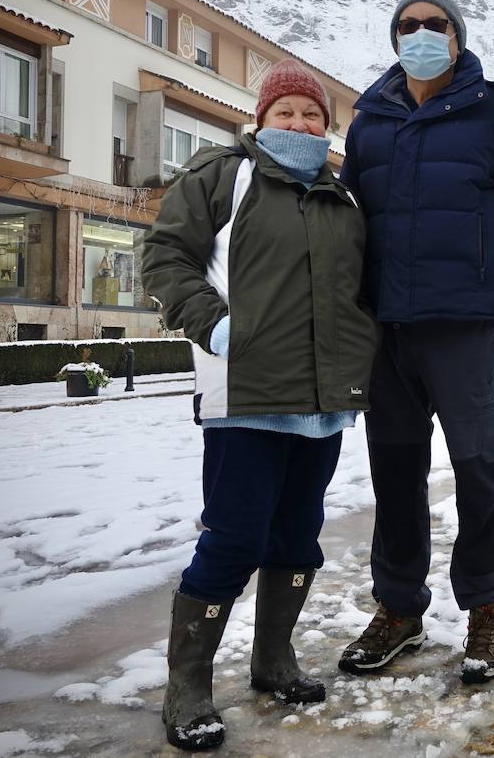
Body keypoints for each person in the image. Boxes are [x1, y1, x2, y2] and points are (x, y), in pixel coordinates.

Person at [142, 59, 377, 751]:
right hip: (244, 394)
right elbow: (164, 259)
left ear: (326, 127)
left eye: (312, 115)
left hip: (323, 401)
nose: (299, 124)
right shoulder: (221, 175)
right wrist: (216, 327)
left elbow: (359, 289)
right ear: (262, 116)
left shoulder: (344, 196)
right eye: (287, 113)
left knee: (298, 535)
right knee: (234, 538)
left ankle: (273, 662)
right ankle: (186, 688)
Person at [338, 0, 494, 685]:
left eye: (436, 25)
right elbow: (347, 226)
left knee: (478, 472)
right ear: (394, 38)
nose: (422, 34)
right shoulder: (369, 121)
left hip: (464, 327)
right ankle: (399, 610)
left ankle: (489, 608)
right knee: (396, 478)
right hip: (387, 330)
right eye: (409, 26)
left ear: (457, 37)